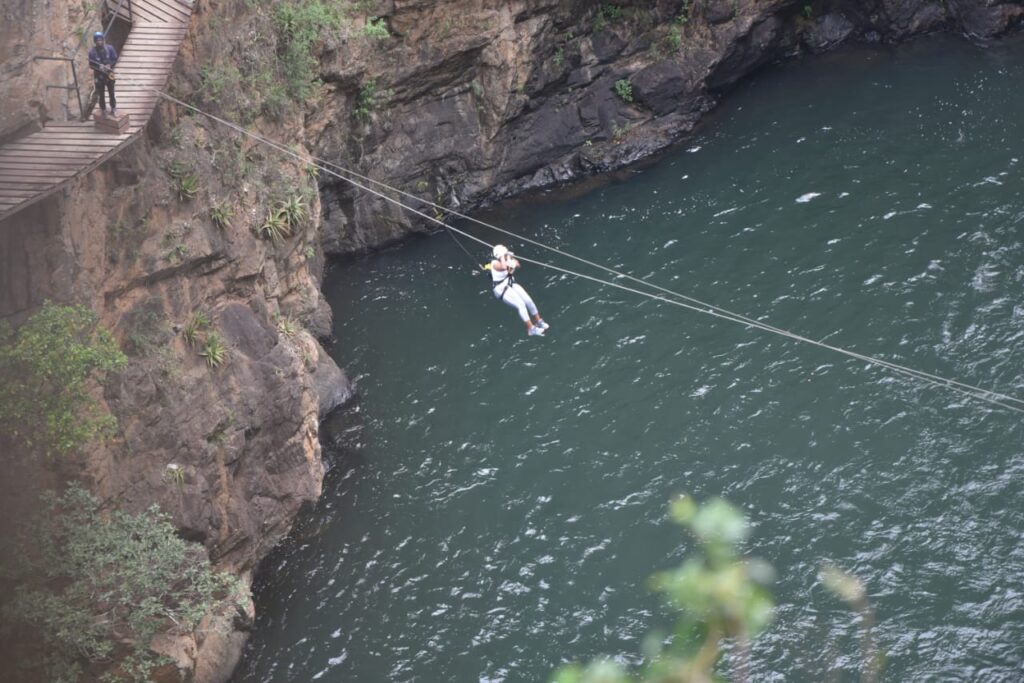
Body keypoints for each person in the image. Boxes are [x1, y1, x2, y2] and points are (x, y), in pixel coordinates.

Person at [489, 244, 549, 336]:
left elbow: (518, 265)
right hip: (501, 289)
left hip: (510, 284)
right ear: (500, 255)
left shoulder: (507, 260)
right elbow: (505, 267)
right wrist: (505, 257)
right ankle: (531, 329)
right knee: (521, 305)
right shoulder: (494, 263)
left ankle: (539, 321)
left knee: (528, 301)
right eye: (504, 254)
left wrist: (510, 259)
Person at [88, 31, 118, 116]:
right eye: (97, 40)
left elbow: (114, 59)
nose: (99, 42)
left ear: (103, 40)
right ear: (95, 41)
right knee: (101, 94)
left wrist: (110, 65)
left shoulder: (109, 49)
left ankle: (113, 107)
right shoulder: (92, 52)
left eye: (100, 40)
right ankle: (103, 109)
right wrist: (99, 67)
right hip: (99, 75)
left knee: (111, 93)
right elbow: (91, 65)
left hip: (109, 74)